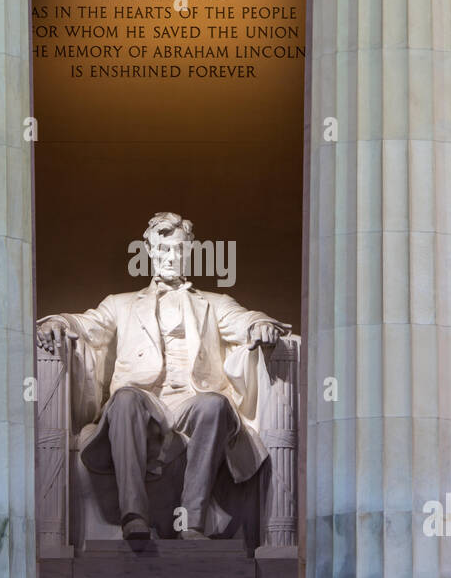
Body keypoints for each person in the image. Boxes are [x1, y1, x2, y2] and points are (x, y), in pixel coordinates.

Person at [36, 212, 288, 540]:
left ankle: (193, 522)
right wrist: (59, 322)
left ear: (191, 254)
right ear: (151, 253)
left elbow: (244, 320)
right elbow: (88, 324)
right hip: (142, 405)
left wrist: (261, 325)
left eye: (179, 250)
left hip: (192, 404)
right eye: (163, 250)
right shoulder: (121, 304)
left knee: (214, 404)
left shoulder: (214, 303)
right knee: (124, 398)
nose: (171, 257)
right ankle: (134, 516)